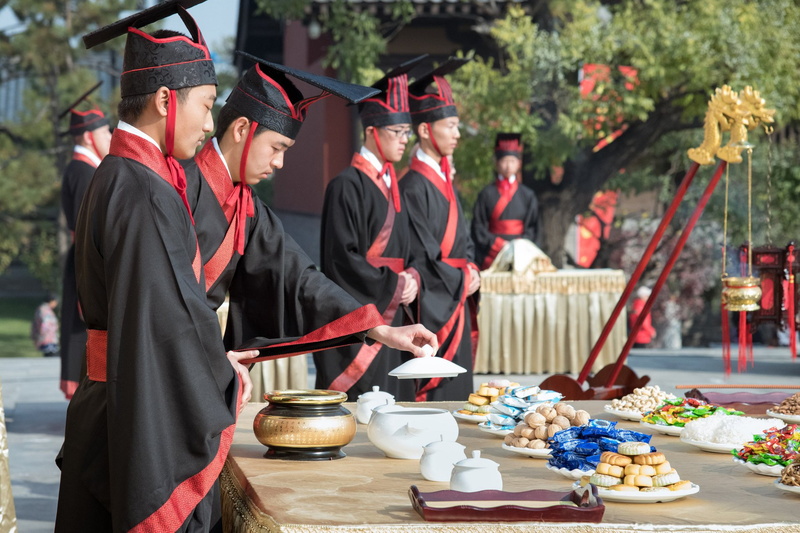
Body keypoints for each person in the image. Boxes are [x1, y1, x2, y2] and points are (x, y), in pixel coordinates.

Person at [55, 2, 257, 530]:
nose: (212, 125)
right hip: (130, 413)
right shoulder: (140, 188)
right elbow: (168, 321)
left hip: (110, 399)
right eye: (208, 105)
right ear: (167, 100)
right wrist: (221, 371)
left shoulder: (121, 174)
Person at [181, 52, 437, 381]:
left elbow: (300, 279)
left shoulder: (249, 207)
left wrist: (377, 328)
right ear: (242, 129)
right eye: (276, 148)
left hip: (196, 355)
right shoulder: (177, 188)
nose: (279, 163)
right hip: (157, 356)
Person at [313, 56, 427, 401]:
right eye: (397, 132)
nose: (404, 139)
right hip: (364, 321)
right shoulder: (345, 185)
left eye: (407, 132)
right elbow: (340, 261)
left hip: (397, 315)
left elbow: (414, 249)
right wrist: (396, 282)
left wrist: (415, 276)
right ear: (372, 131)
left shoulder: (396, 186)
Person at [400, 58, 480, 401]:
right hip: (435, 306)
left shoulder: (447, 183)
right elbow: (421, 254)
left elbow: (464, 240)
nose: (458, 134)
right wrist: (462, 278)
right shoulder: (412, 185)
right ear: (424, 130)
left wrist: (473, 268)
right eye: (450, 125)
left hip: (456, 296)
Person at [58, 81, 112, 399]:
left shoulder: (85, 170)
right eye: (106, 132)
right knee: (82, 333)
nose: (111, 138)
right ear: (90, 135)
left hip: (83, 261)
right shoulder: (83, 172)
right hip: (84, 262)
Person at [471, 133, 539, 270]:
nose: (508, 166)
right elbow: (478, 227)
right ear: (497, 163)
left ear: (519, 164)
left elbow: (533, 227)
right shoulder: (486, 194)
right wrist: (498, 245)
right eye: (504, 161)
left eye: (512, 161)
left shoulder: (528, 195)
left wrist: (518, 246)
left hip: (521, 255)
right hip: (492, 254)